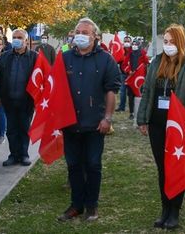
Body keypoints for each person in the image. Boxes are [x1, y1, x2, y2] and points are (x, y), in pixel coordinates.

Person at [137, 24, 185, 230]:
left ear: (180, 42)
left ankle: (175, 210)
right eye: (165, 41)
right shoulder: (156, 61)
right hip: (157, 123)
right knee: (162, 168)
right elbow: (147, 91)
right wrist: (142, 119)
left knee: (176, 167)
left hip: (178, 126)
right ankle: (165, 208)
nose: (168, 45)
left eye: (172, 41)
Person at [56, 18, 121, 223]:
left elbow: (111, 91)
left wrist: (107, 118)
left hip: (95, 124)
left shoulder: (106, 60)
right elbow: (56, 88)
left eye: (85, 32)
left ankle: (91, 205)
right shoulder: (64, 58)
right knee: (73, 165)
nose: (80, 35)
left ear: (95, 36)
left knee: (93, 165)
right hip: (70, 124)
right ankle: (76, 205)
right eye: (78, 32)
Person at [0, 29, 36, 166]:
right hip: (9, 100)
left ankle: (24, 155)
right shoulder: (5, 57)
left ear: (26, 40)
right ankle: (13, 155)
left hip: (26, 101)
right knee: (11, 130)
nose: (17, 39)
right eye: (14, 37)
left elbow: (41, 78)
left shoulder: (34, 57)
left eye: (20, 37)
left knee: (24, 129)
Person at [120, 39, 149, 119]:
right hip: (131, 78)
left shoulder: (143, 53)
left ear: (139, 45)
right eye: (133, 44)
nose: (134, 46)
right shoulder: (130, 53)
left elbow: (146, 63)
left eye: (136, 44)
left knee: (139, 95)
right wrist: (128, 71)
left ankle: (139, 112)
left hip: (139, 79)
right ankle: (131, 113)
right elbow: (124, 65)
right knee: (130, 96)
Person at [116, 35, 133, 113]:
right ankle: (121, 107)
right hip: (123, 74)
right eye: (125, 41)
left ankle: (132, 109)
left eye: (128, 41)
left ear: (131, 42)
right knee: (122, 91)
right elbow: (118, 60)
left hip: (131, 75)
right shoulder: (121, 51)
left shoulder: (133, 51)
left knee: (131, 92)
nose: (126, 42)